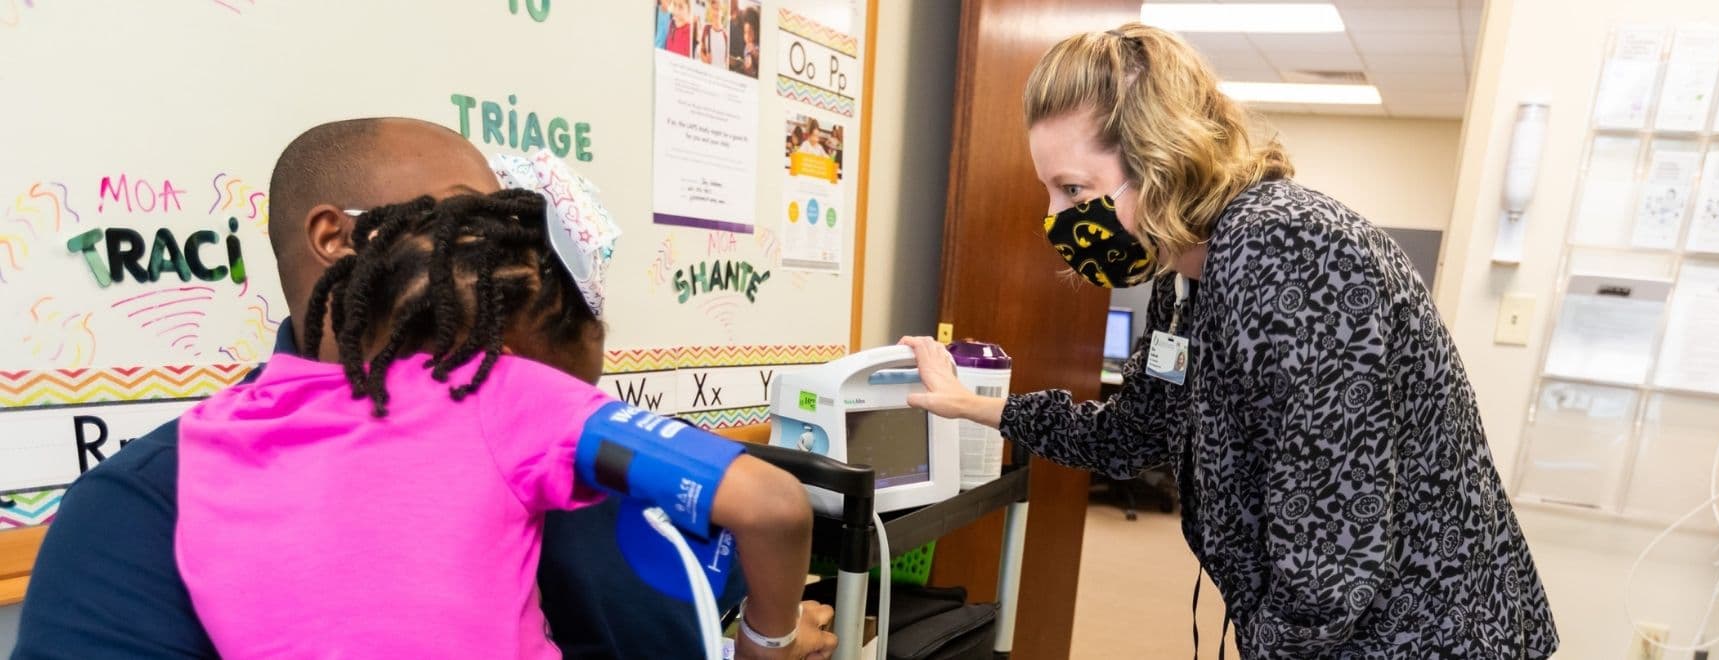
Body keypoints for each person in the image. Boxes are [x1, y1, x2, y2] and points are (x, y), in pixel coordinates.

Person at [13, 118, 836, 659]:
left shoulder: (557, 427)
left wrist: (756, 642)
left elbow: (735, 555)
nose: (497, 251)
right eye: (463, 220)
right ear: (336, 238)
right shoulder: (147, 509)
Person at [900, 24, 1558, 658]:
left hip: (1422, 635)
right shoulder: (1183, 283)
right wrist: (974, 405)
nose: (1056, 218)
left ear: (1162, 162)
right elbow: (1135, 434)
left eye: (1075, 189)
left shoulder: (1286, 246)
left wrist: (1272, 642)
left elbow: (1332, 545)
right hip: (1337, 626)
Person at [174, 181, 826, 659]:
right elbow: (773, 506)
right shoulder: (497, 391)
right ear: (497, 358)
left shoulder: (218, 426)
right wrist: (767, 642)